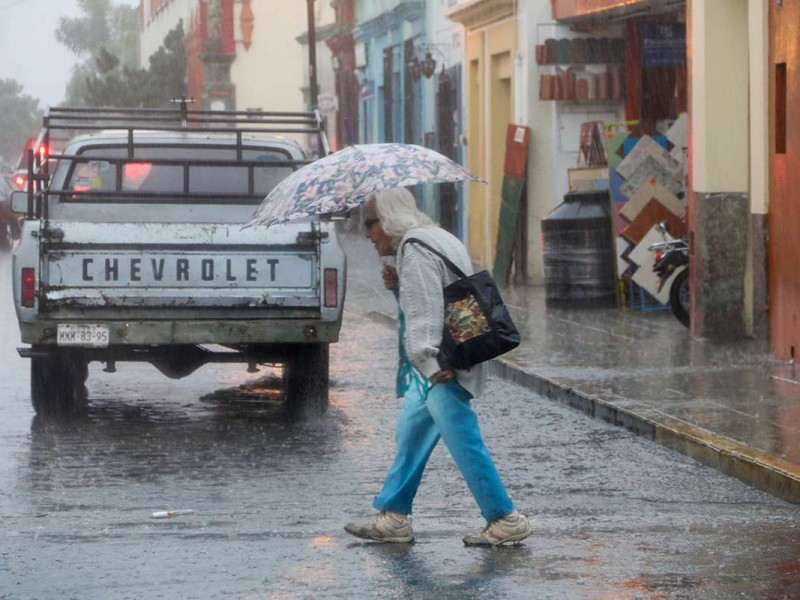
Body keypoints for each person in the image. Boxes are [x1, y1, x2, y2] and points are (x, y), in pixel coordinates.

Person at [344, 188, 532, 546]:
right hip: (456, 354)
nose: (367, 234)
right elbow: (444, 295)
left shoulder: (413, 251)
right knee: (412, 433)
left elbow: (425, 315)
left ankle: (504, 517)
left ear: (387, 220)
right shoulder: (435, 236)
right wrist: (400, 287)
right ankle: (395, 516)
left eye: (369, 224)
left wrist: (428, 363)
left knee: (464, 441)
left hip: (444, 366)